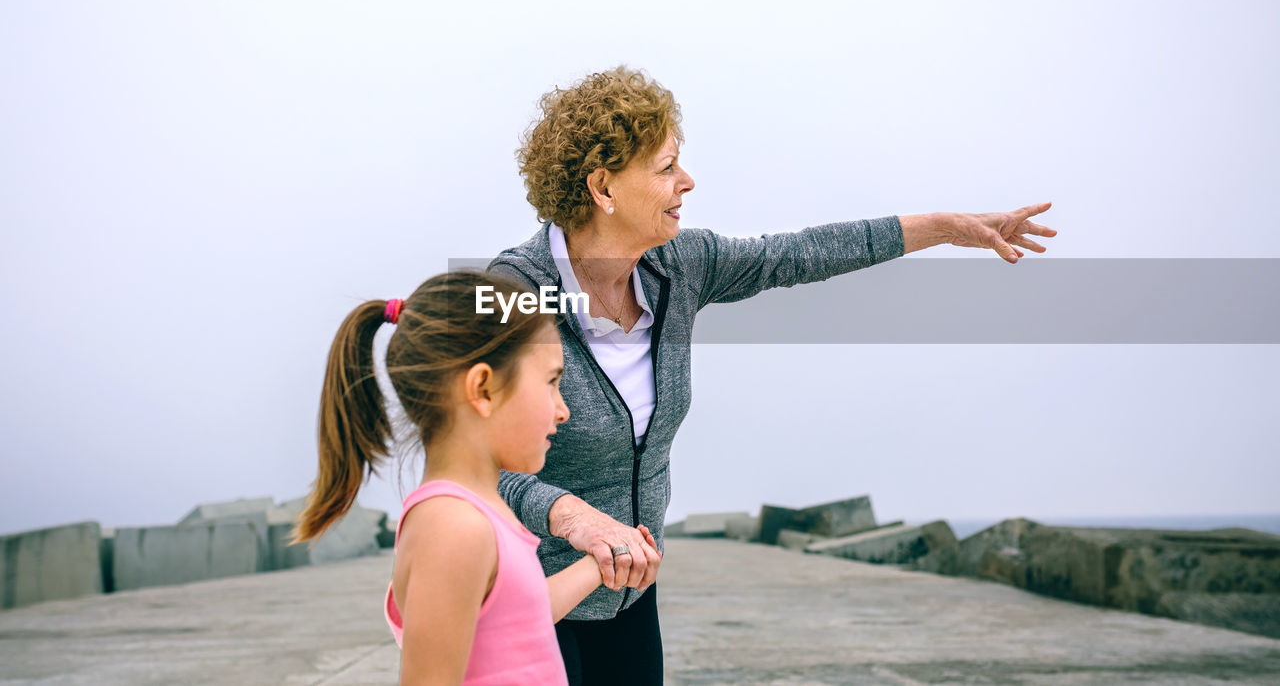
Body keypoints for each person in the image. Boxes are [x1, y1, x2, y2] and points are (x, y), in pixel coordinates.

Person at [487, 66, 1058, 685]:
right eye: (665, 167)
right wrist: (572, 516)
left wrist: (943, 228)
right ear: (603, 186)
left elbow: (796, 254)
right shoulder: (517, 292)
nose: (687, 182)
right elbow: (479, 462)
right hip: (533, 601)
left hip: (630, 597)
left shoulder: (678, 268)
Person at [292, 271, 658, 685]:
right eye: (552, 382)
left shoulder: (480, 512)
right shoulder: (453, 528)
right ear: (483, 388)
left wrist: (604, 561)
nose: (563, 410)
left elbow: (522, 614)